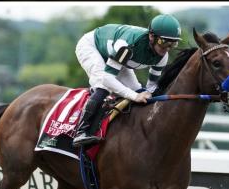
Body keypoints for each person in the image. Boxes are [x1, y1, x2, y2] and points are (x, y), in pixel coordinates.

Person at [72, 14, 182, 147]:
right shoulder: (127, 46)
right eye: (164, 42)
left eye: (173, 43)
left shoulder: (162, 57)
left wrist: (143, 94)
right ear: (151, 36)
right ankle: (81, 131)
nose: (167, 48)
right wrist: (134, 96)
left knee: (139, 90)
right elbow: (107, 79)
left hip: (118, 57)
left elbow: (151, 87)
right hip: (92, 46)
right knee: (103, 86)